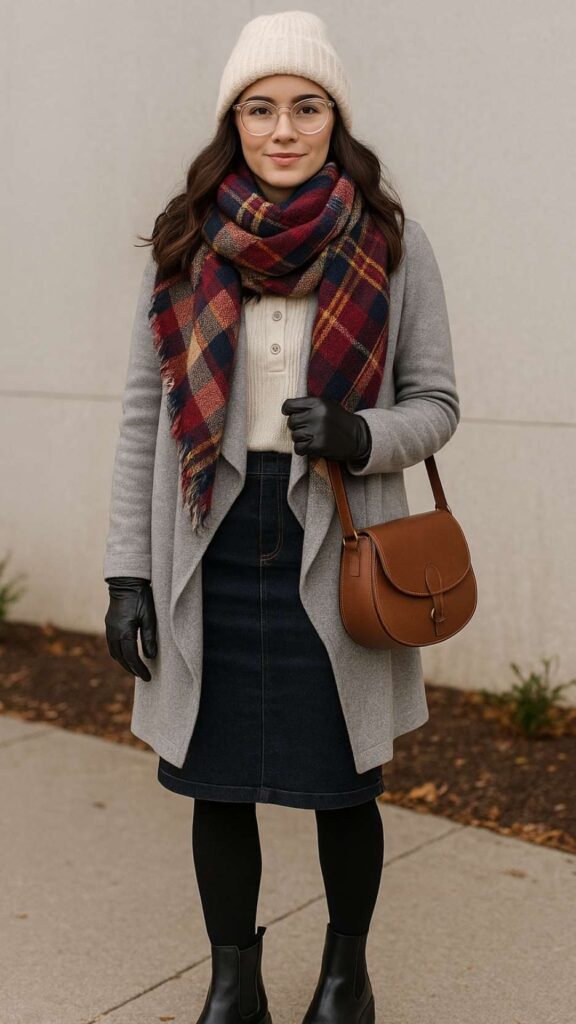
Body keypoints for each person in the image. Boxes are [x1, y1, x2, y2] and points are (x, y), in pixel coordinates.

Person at [103, 11, 460, 1024]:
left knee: (347, 783)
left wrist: (357, 434)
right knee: (215, 782)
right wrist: (126, 573)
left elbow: (435, 403)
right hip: (208, 542)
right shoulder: (181, 248)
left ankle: (347, 978)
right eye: (260, 108)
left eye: (306, 107)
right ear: (235, 124)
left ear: (334, 120)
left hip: (334, 543)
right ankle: (234, 979)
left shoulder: (393, 245)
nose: (283, 128)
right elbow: (143, 422)